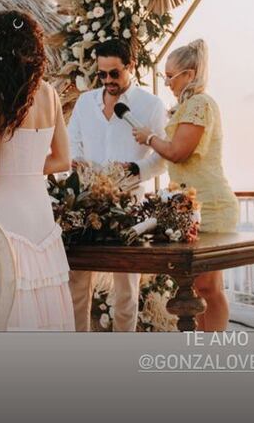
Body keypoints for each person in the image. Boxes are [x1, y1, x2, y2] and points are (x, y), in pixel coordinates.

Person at [0, 10, 75, 331]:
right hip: (39, 213)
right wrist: (27, 169)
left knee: (4, 296)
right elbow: (63, 161)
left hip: (2, 212)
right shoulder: (49, 93)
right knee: (42, 291)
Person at [132, 38, 239, 331]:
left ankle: (213, 346)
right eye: (164, 76)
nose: (167, 83)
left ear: (189, 75)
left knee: (208, 286)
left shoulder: (200, 104)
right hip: (191, 207)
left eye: (170, 76)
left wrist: (149, 137)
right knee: (197, 287)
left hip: (210, 205)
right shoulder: (188, 105)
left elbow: (178, 152)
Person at [68, 38, 166, 332]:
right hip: (86, 204)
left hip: (129, 205)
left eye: (115, 73)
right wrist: (76, 162)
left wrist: (136, 169)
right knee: (77, 283)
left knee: (127, 289)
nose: (108, 80)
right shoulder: (85, 102)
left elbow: (163, 156)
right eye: (102, 74)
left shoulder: (151, 105)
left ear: (131, 66)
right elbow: (72, 142)